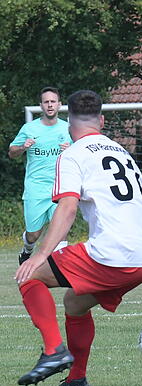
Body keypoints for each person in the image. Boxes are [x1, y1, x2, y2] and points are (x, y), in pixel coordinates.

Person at [14, 89, 142, 386]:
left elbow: (68, 207)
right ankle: (76, 379)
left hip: (112, 254)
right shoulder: (121, 152)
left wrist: (39, 255)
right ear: (101, 120)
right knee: (75, 303)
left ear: (69, 125)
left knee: (30, 276)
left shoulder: (72, 154)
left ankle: (53, 350)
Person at [9, 87, 71, 264]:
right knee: (33, 234)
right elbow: (12, 152)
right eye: (46, 102)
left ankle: (62, 269)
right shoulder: (29, 128)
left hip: (60, 188)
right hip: (35, 188)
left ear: (59, 104)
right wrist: (22, 148)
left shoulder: (68, 129)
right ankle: (27, 250)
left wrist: (71, 149)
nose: (50, 105)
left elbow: (83, 154)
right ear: (41, 105)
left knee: (61, 230)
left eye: (53, 101)